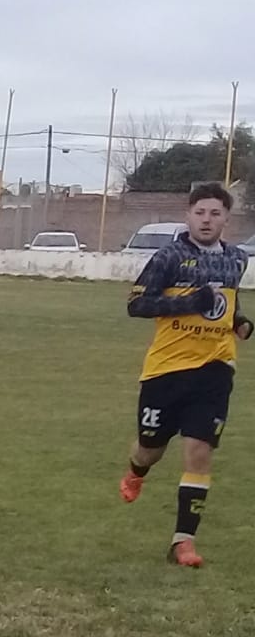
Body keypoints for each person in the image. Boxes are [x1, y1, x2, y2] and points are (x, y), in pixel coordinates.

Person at [119, 181, 252, 567]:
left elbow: (228, 301)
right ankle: (136, 472)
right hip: (166, 369)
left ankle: (183, 543)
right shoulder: (169, 257)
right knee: (150, 448)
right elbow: (137, 304)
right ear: (188, 215)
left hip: (214, 369)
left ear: (227, 217)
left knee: (199, 451)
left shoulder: (236, 260)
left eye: (214, 213)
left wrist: (240, 321)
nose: (206, 220)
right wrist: (189, 302)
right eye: (200, 212)